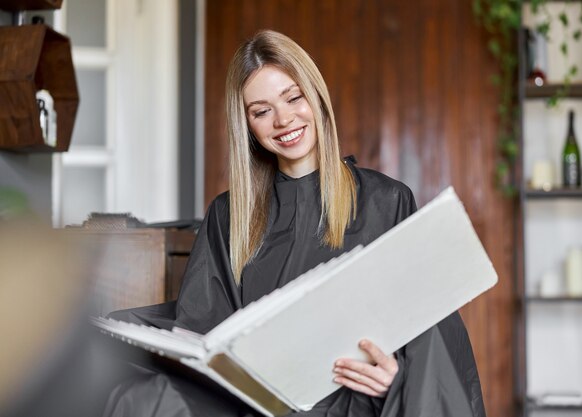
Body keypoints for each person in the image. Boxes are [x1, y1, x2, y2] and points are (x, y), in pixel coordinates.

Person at [105, 30, 486, 417]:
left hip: (353, 402)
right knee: (140, 390)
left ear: (315, 96)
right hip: (255, 403)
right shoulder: (227, 214)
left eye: (293, 97)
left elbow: (431, 331)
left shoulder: (387, 201)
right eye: (261, 110)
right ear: (247, 126)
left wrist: (398, 379)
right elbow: (201, 326)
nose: (283, 119)